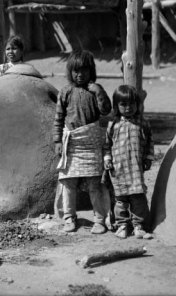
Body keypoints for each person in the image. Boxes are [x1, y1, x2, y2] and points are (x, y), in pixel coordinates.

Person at [53, 49, 112, 234]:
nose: (79, 75)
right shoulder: (65, 92)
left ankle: (100, 220)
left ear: (91, 71)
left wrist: (99, 91)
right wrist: (57, 141)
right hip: (72, 143)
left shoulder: (94, 90)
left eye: (84, 70)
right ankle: (69, 217)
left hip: (91, 143)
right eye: (75, 71)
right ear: (69, 72)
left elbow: (106, 111)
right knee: (68, 182)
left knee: (95, 183)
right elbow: (58, 118)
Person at [103, 84, 154, 239]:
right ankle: (123, 225)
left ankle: (139, 226)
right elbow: (107, 145)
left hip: (136, 168)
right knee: (120, 200)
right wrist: (107, 159)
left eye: (132, 104)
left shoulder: (143, 123)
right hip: (119, 169)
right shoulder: (113, 124)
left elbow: (150, 142)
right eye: (123, 104)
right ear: (116, 106)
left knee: (138, 198)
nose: (128, 108)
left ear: (137, 104)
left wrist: (148, 158)